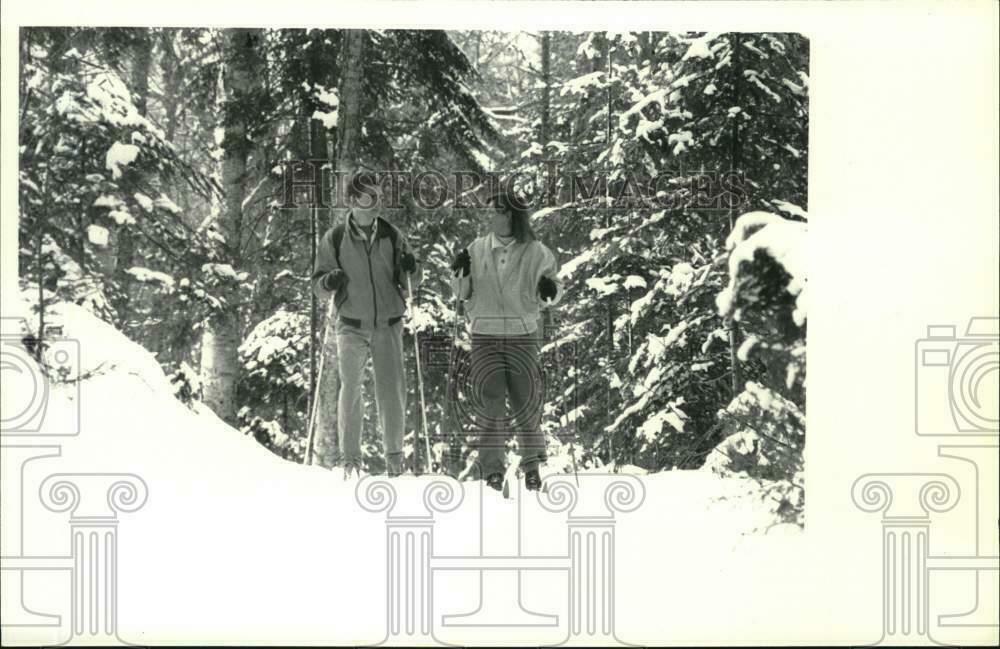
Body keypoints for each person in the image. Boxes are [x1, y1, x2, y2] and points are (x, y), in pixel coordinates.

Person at [449, 187, 563, 492]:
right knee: (490, 403)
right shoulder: (475, 248)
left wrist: (548, 291)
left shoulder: (537, 251)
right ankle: (492, 470)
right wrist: (460, 272)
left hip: (522, 332)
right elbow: (461, 294)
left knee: (525, 400)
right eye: (489, 211)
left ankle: (532, 466)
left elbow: (551, 288)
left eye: (495, 211)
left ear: (510, 215)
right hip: (484, 332)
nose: (490, 216)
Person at [312, 171, 422, 478]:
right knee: (351, 388)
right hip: (350, 323)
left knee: (391, 390)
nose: (377, 204)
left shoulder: (391, 234)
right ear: (352, 200)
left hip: (388, 322)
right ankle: (350, 461)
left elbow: (412, 280)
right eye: (370, 197)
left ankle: (395, 461)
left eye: (380, 197)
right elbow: (318, 285)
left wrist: (411, 269)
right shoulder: (335, 238)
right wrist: (329, 280)